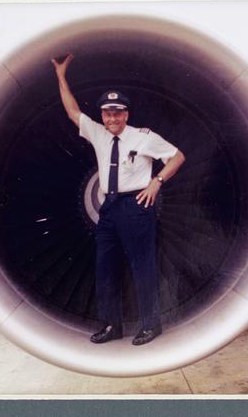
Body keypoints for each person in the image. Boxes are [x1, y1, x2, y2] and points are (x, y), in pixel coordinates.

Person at [51, 53, 185, 346]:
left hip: (135, 206)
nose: (112, 118)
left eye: (118, 113)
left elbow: (177, 157)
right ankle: (112, 325)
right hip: (109, 207)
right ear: (102, 115)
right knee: (106, 267)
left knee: (142, 266)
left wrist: (156, 182)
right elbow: (72, 111)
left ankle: (151, 324)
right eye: (108, 113)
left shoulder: (143, 137)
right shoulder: (98, 134)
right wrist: (61, 77)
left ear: (126, 114)